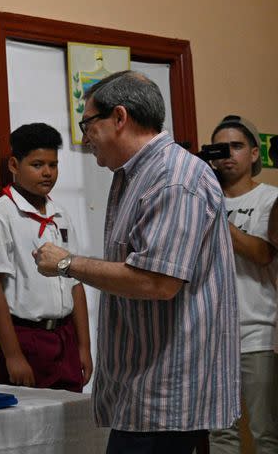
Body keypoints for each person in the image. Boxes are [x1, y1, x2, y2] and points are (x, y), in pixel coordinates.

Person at [33, 71, 240, 453]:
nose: (85, 138)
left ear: (120, 118)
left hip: (167, 398)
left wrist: (67, 263)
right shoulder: (134, 175)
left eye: (87, 124)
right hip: (144, 392)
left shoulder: (174, 179)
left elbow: (156, 282)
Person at [0, 123, 91, 391]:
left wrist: (84, 346)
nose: (47, 172)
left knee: (71, 424)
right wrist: (13, 355)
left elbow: (76, 282)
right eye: (37, 164)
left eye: (53, 164)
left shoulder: (60, 215)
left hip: (64, 337)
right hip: (25, 338)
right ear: (14, 165)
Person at [207, 116, 278, 454]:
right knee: (221, 434)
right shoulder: (201, 198)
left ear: (253, 153)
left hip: (258, 330)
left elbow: (263, 253)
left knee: (266, 431)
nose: (227, 155)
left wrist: (217, 215)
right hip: (212, 336)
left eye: (236, 146)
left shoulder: (270, 199)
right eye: (220, 148)